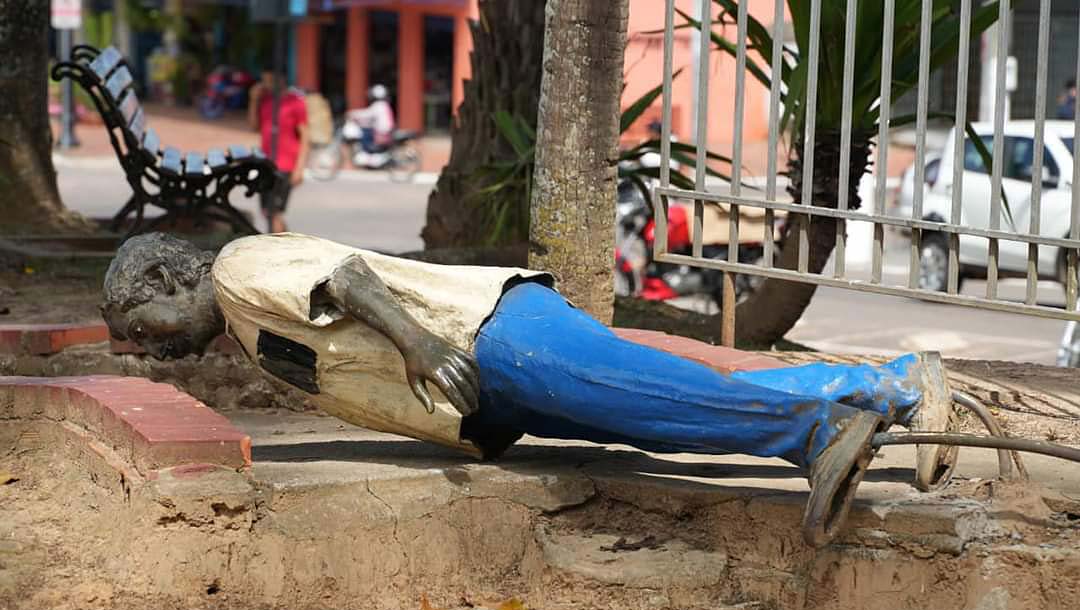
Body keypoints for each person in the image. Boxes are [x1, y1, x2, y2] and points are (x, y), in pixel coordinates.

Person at [100, 232, 959, 548]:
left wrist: (422, 345)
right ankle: (845, 418)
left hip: (488, 337)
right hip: (483, 389)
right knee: (655, 418)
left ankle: (875, 394)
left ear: (172, 277)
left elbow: (346, 275)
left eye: (143, 327)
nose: (151, 352)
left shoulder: (239, 270)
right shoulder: (245, 330)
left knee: (652, 392)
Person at [248, 71, 310, 234]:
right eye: (264, 81)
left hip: (286, 164)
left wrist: (300, 168)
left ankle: (285, 246)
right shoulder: (266, 100)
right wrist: (254, 100)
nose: (265, 84)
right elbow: (255, 126)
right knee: (267, 212)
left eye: (268, 80)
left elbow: (305, 137)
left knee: (273, 212)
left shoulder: (295, 102)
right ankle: (286, 243)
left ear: (280, 79)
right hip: (266, 163)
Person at [347, 84, 396, 155]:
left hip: (382, 133)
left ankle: (366, 151)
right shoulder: (385, 105)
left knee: (364, 132)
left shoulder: (378, 105)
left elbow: (366, 114)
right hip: (386, 132)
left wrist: (351, 114)